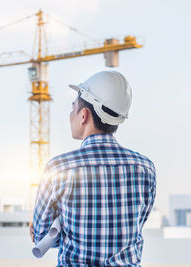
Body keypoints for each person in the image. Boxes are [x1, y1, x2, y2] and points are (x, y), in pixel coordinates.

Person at [30, 71, 156, 266]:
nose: (70, 113)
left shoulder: (59, 168)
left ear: (84, 115)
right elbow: (137, 224)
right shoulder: (145, 168)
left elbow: (41, 235)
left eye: (73, 107)